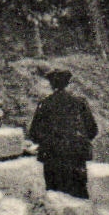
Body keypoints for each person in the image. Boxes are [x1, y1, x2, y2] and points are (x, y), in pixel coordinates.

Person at [28, 68, 97, 197]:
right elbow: (92, 130)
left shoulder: (45, 104)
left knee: (55, 196)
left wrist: (47, 142)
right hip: (76, 156)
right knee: (78, 194)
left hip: (52, 156)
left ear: (51, 84)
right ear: (67, 83)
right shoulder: (80, 102)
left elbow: (34, 133)